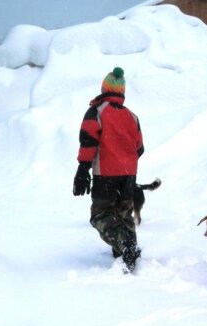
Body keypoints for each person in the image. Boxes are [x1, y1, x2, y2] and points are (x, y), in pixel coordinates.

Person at [72, 67, 144, 272]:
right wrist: (125, 163)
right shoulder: (132, 116)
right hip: (128, 174)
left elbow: (88, 141)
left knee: (100, 215)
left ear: (104, 89)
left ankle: (126, 247)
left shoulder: (96, 111)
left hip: (106, 174)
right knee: (123, 214)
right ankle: (127, 255)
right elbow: (140, 148)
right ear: (122, 93)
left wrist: (83, 169)